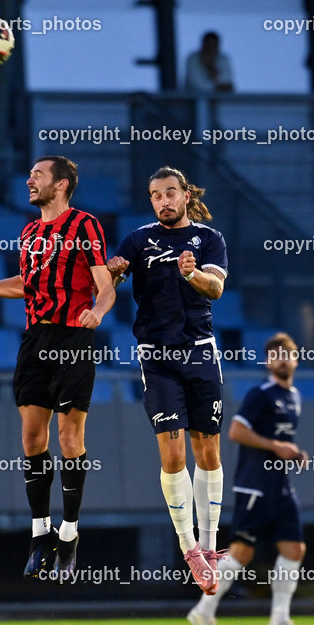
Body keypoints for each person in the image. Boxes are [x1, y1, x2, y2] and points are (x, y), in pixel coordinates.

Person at [0, 156, 115, 580]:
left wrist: (97, 311)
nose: (29, 180)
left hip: (73, 337)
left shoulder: (84, 226)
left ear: (61, 184)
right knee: (31, 437)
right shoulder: (29, 233)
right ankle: (41, 532)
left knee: (69, 437)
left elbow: (105, 285)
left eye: (37, 175)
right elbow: (27, 284)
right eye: (30, 175)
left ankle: (70, 531)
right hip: (35, 339)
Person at [106, 166, 228, 596]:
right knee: (173, 452)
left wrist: (192, 274)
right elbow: (110, 281)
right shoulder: (137, 240)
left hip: (200, 352)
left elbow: (215, 289)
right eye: (156, 195)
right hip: (157, 357)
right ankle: (190, 548)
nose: (163, 201)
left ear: (185, 195)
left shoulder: (209, 239)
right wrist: (113, 271)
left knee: (207, 450)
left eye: (170, 193)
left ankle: (210, 546)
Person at [188, 332, 314, 625]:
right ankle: (202, 611)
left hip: (280, 485)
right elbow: (236, 431)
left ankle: (280, 619)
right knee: (241, 553)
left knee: (294, 548)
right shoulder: (261, 394)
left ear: (296, 359)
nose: (282, 360)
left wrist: (293, 453)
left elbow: (281, 441)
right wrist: (275, 446)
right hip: (255, 485)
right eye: (275, 355)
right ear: (268, 362)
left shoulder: (294, 396)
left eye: (287, 354)